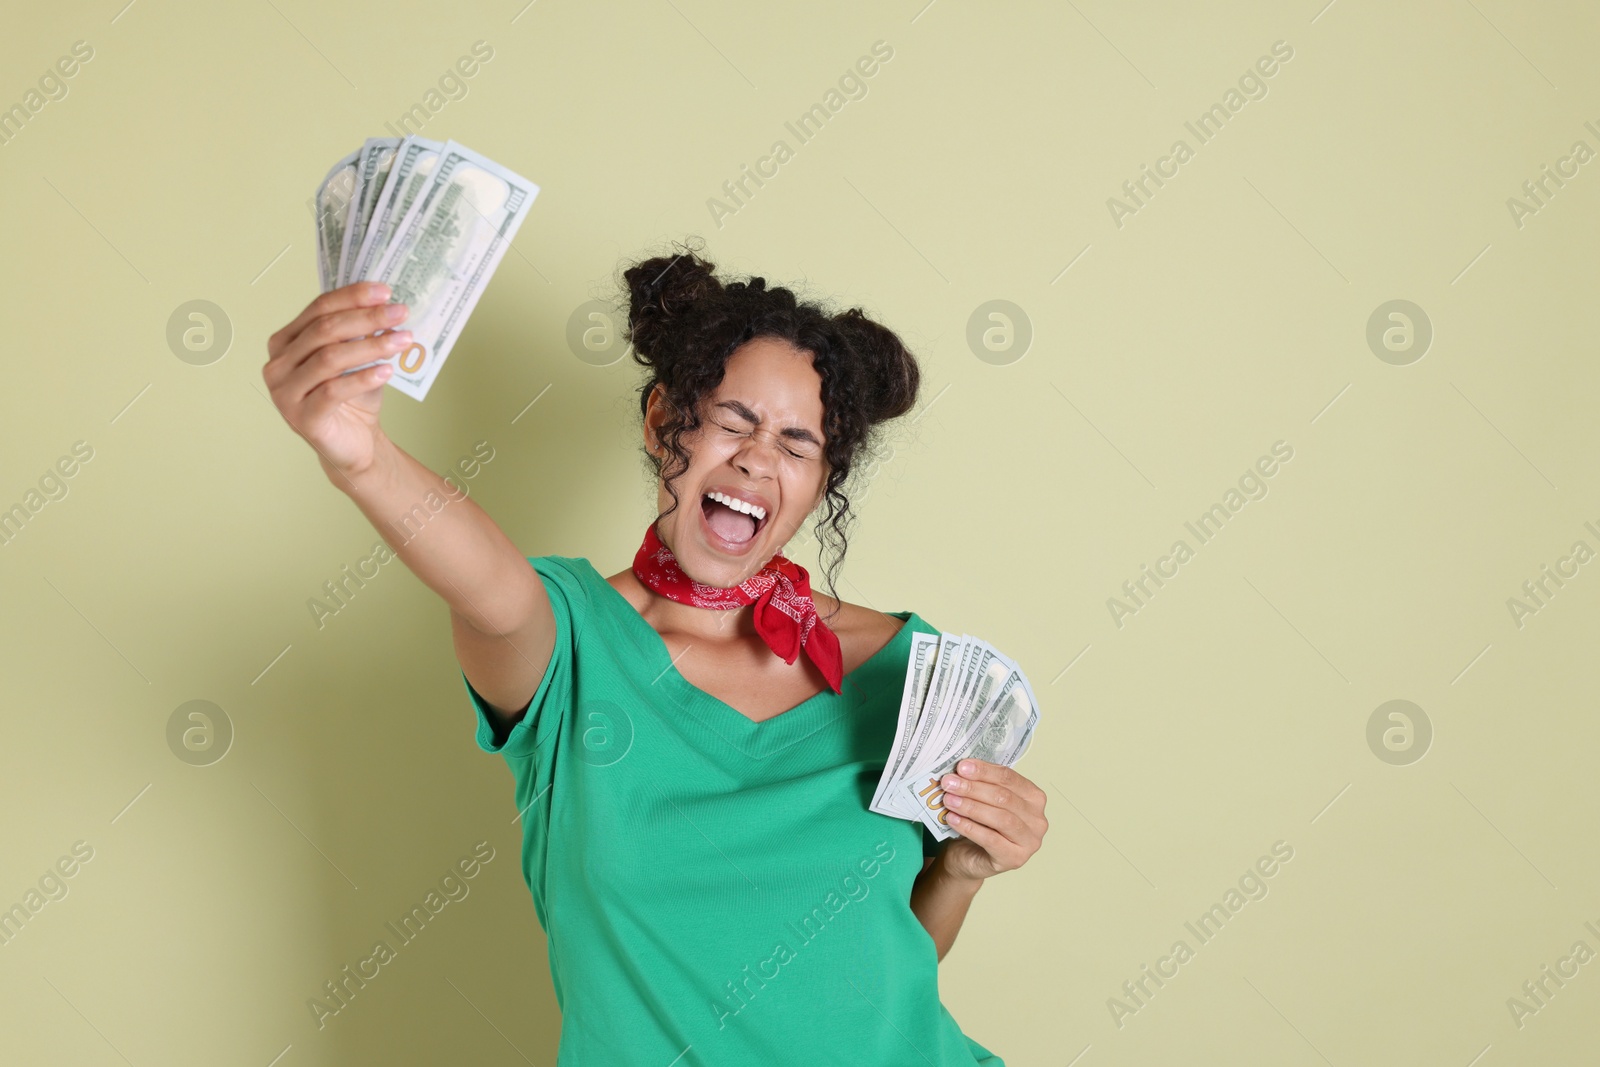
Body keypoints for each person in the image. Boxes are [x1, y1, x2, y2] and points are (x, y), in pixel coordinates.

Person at [263, 242, 1048, 1064]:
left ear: (823, 480)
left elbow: (881, 967)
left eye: (796, 443)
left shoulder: (910, 668)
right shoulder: (570, 648)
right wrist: (361, 456)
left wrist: (960, 868)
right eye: (730, 421)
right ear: (662, 418)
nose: (754, 458)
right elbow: (491, 593)